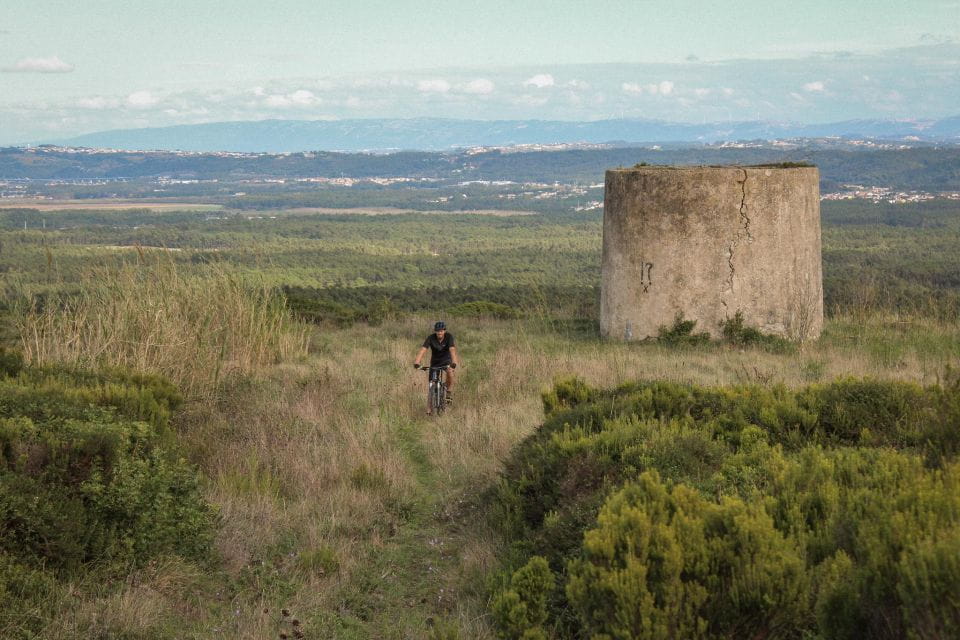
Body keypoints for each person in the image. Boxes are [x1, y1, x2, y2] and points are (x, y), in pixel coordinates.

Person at [413, 321, 461, 414]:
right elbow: (423, 350)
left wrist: (454, 362)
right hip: (435, 363)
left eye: (441, 331)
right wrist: (417, 362)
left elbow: (452, 349)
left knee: (450, 372)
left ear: (444, 331)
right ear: (435, 331)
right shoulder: (431, 338)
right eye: (438, 331)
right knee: (431, 384)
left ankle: (449, 392)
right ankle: (429, 410)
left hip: (446, 361)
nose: (439, 333)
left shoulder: (449, 337)